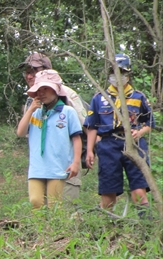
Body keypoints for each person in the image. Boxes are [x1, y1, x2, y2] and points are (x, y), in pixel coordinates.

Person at [84, 53, 155, 217]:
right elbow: (92, 126)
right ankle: (105, 230)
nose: (117, 76)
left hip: (134, 144)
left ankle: (147, 230)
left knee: (139, 192)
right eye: (113, 71)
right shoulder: (99, 98)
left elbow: (149, 123)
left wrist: (140, 132)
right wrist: (89, 150)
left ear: (128, 74)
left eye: (121, 72)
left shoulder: (138, 97)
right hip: (108, 144)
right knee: (108, 193)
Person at [18, 52, 88, 201]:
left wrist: (84, 156)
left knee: (64, 208)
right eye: (27, 72)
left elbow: (85, 126)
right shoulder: (31, 103)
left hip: (65, 163)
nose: (30, 76)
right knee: (39, 205)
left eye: (34, 71)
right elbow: (26, 133)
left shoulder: (67, 95)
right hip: (42, 167)